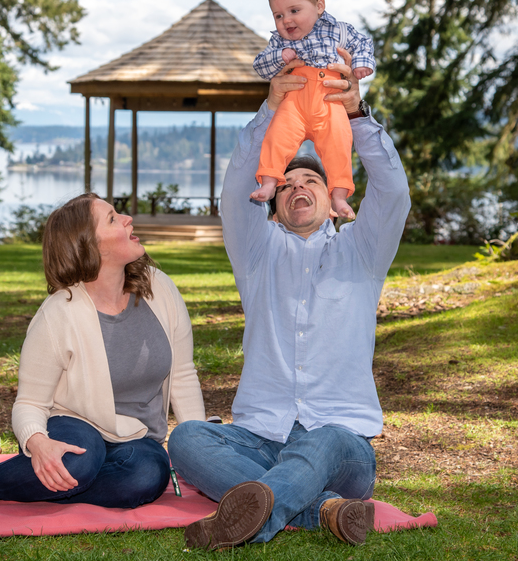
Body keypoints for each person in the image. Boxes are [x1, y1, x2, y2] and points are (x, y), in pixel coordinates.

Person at [167, 51, 411, 549]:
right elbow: (237, 189)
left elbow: (393, 192)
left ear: (332, 197)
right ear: (275, 204)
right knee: (188, 439)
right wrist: (270, 110)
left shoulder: (361, 252)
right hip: (260, 435)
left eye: (311, 181)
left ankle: (257, 511)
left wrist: (359, 117)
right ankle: (321, 509)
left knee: (320, 440)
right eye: (287, 184)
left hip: (340, 442)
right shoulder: (257, 254)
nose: (298, 187)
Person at [0, 193, 205, 509]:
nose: (128, 218)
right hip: (75, 425)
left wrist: (198, 449)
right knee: (78, 462)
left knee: (145, 476)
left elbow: (184, 376)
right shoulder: (58, 313)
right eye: (113, 218)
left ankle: (61, 486)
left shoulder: (160, 289)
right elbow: (30, 402)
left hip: (140, 437)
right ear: (90, 245)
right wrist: (37, 442)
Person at [250, 0, 375, 222]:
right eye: (278, 15)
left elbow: (363, 43)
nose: (286, 20)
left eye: (294, 11)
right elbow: (260, 65)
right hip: (294, 103)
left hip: (329, 103)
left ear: (319, 5)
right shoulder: (280, 42)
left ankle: (338, 195)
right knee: (276, 139)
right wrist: (279, 57)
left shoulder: (339, 31)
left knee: (339, 144)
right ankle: (270, 182)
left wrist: (361, 63)